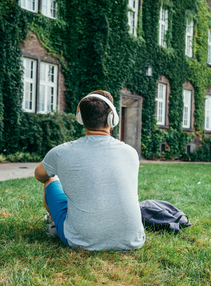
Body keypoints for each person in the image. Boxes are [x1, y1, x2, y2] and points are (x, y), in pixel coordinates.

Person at [34, 90, 145, 251]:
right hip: (132, 239)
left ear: (80, 119)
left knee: (50, 180)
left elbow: (39, 175)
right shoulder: (131, 152)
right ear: (112, 119)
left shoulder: (61, 152)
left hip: (80, 241)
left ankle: (55, 224)